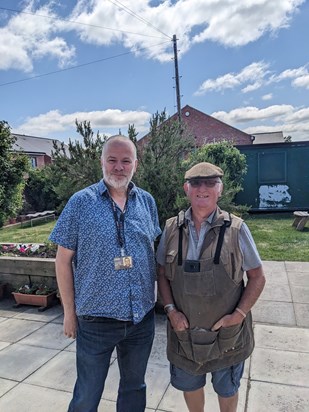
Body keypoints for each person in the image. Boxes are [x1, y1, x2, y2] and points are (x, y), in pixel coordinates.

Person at [49, 135, 161, 412]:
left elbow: (153, 255)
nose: (118, 167)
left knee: (135, 390)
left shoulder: (147, 202)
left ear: (136, 164)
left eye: (125, 161)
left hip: (140, 320)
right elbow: (62, 262)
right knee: (87, 395)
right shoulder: (80, 202)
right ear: (102, 162)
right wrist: (68, 313)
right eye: (112, 160)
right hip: (95, 322)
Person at [157, 162, 265, 412]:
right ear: (187, 188)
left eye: (210, 183)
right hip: (184, 334)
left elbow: (257, 277)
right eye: (196, 183)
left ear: (220, 189)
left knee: (227, 389)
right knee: (190, 386)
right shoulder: (172, 228)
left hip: (227, 336)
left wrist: (237, 316)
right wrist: (171, 310)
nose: (202, 189)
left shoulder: (237, 229)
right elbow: (162, 272)